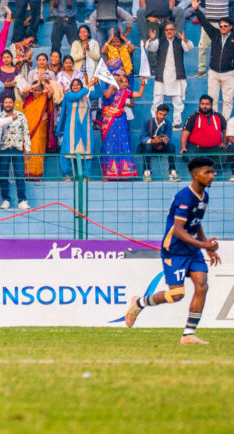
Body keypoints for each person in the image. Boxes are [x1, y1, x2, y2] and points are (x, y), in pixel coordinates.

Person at [125, 156, 221, 344]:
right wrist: (204, 245)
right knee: (176, 295)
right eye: (207, 172)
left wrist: (206, 247)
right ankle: (139, 303)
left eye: (212, 172)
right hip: (174, 250)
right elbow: (178, 230)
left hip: (192, 250)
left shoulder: (205, 196)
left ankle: (188, 334)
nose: (212, 176)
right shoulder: (184, 197)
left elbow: (196, 223)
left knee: (202, 286)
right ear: (195, 175)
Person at [98, 73, 145, 179]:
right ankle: (108, 173)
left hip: (120, 120)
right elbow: (107, 96)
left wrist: (142, 85)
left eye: (124, 81)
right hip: (108, 121)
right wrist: (112, 87)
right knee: (108, 145)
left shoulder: (125, 92)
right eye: (119, 81)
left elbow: (139, 94)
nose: (121, 83)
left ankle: (124, 173)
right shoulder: (106, 90)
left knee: (122, 143)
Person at [139, 103, 179, 181]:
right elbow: (142, 138)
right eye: (160, 114)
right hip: (149, 146)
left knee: (172, 147)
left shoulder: (168, 123)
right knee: (147, 146)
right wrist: (152, 140)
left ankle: (172, 172)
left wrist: (165, 139)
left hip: (161, 146)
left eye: (164, 115)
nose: (162, 117)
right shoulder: (147, 122)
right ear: (156, 113)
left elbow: (169, 136)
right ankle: (146, 172)